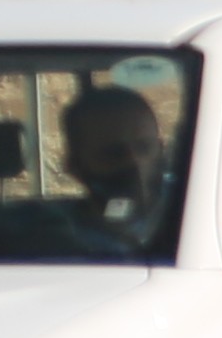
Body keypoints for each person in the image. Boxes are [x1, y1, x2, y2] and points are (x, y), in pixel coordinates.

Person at [58, 76, 175, 245]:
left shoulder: (193, 208)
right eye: (113, 154)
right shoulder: (57, 240)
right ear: (74, 165)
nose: (135, 163)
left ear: (161, 149)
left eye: (144, 147)